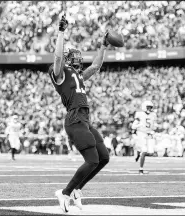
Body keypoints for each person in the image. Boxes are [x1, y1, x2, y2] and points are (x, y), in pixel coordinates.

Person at [49, 15, 110, 213]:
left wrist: (103, 45)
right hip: (75, 119)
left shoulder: (78, 75)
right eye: (73, 56)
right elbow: (57, 57)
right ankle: (65, 193)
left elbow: (96, 66)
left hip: (85, 119)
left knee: (103, 157)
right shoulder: (59, 72)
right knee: (91, 159)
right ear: (67, 57)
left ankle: (76, 190)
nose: (78, 58)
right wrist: (61, 32)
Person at [131, 100, 156, 174]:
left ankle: (138, 152)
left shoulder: (153, 115)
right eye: (148, 107)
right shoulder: (139, 114)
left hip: (149, 134)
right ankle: (141, 169)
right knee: (144, 151)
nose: (149, 109)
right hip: (141, 133)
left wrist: (153, 130)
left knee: (151, 153)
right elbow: (133, 126)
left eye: (150, 107)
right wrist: (139, 125)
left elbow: (152, 125)